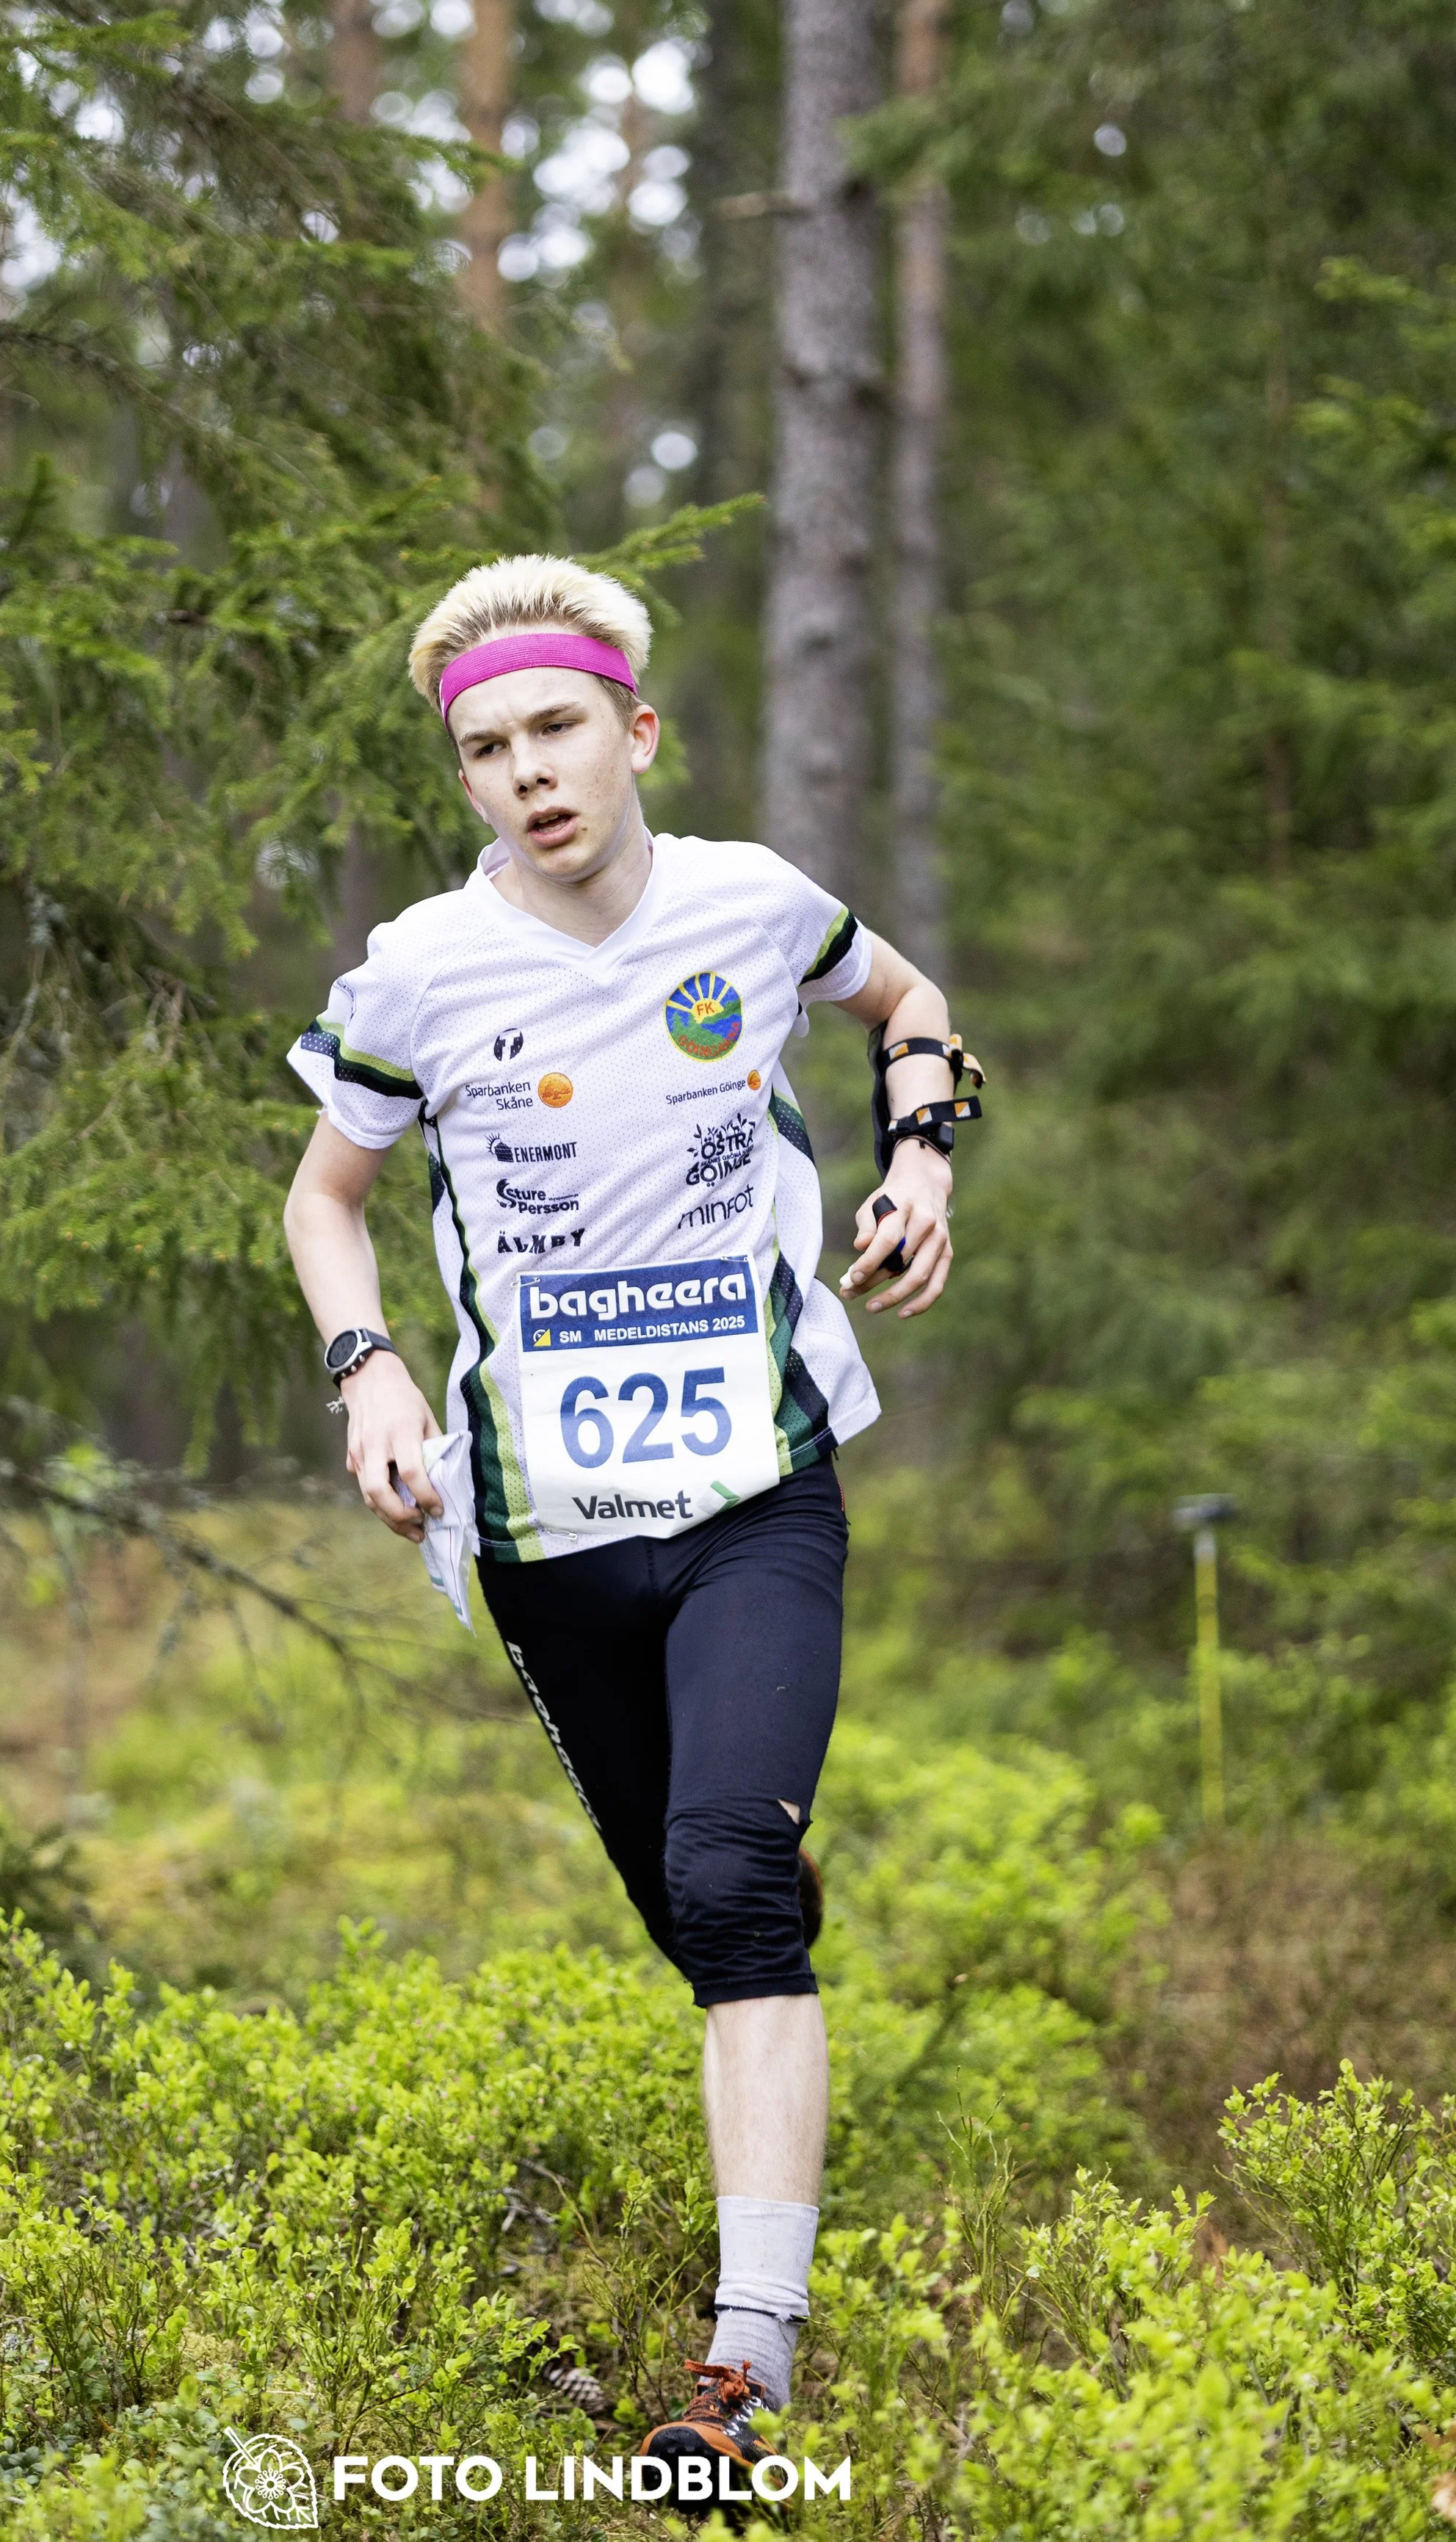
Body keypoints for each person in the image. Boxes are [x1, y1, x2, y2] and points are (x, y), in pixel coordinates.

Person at [282, 555, 976, 2481]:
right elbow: (323, 1196)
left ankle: (748, 2368)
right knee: (701, 1910)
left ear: (635, 731)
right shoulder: (421, 969)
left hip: (757, 1485)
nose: (527, 772)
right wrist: (370, 1370)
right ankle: (754, 1912)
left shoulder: (748, 905)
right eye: (485, 748)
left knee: (731, 1884)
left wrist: (923, 1164)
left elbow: (909, 1000)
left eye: (557, 728)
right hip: (545, 1527)